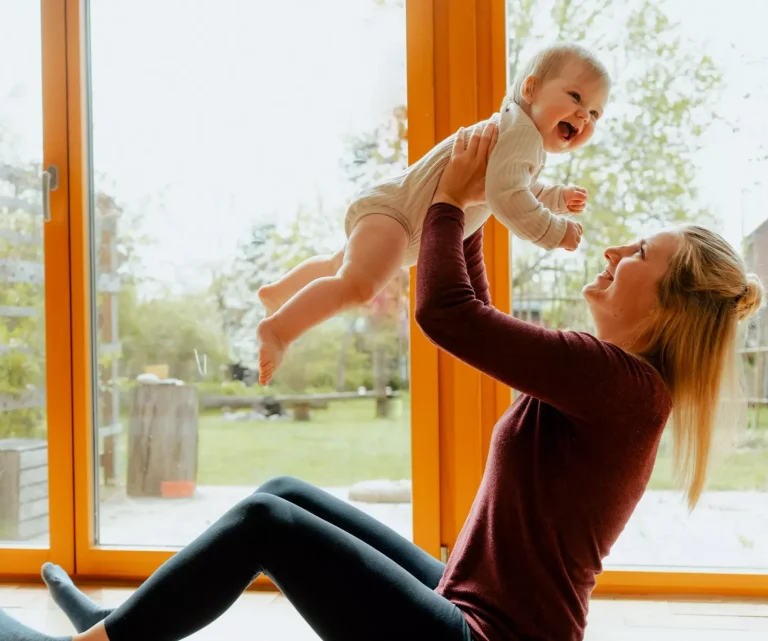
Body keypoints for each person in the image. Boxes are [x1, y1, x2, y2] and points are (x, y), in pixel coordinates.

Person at [2, 119, 762, 641]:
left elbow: (446, 314)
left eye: (636, 254)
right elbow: (477, 314)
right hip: (467, 603)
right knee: (284, 492)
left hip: (482, 637)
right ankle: (120, 620)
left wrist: (440, 200)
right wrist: (466, 203)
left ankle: (101, 639)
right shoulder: (614, 382)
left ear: (670, 307)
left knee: (271, 527)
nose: (612, 250)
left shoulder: (621, 385)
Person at [256, 42, 610, 385]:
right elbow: (506, 196)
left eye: (594, 113)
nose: (584, 115)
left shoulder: (516, 131)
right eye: (576, 97)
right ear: (530, 88)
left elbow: (508, 185)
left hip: (394, 216)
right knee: (357, 287)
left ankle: (278, 292)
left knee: (339, 267)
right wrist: (554, 229)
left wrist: (557, 197)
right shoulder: (522, 136)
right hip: (397, 218)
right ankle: (279, 330)